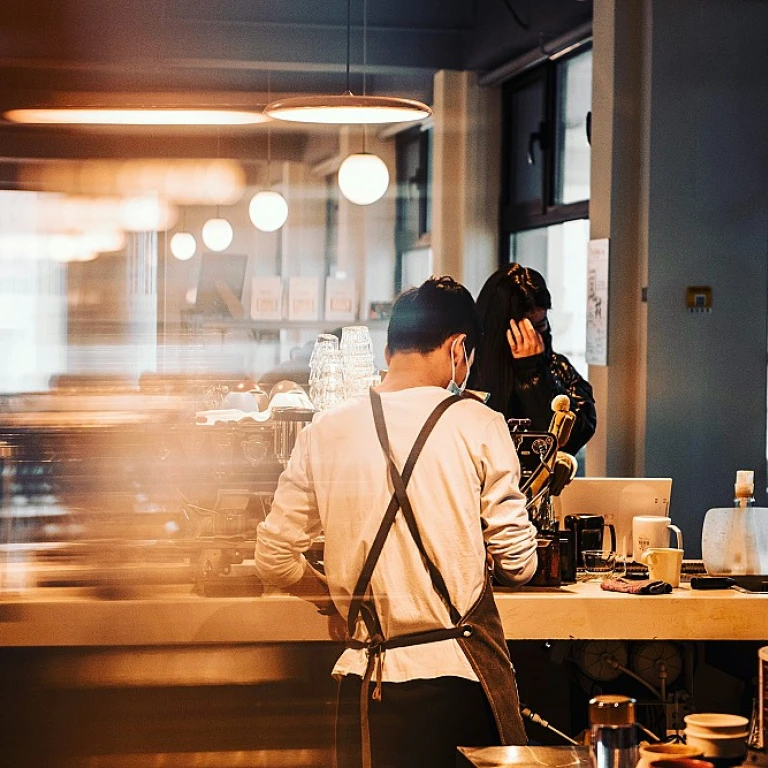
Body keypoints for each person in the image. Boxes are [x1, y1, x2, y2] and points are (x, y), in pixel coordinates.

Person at [254, 276, 538, 768]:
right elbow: (519, 564)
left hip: (366, 683)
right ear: (458, 350)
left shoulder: (327, 429)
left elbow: (274, 560)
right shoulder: (479, 424)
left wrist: (336, 601)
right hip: (458, 681)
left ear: (389, 348)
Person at [472, 263, 597, 455]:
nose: (532, 338)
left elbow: (572, 438)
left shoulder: (557, 367)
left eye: (540, 326)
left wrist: (533, 373)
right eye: (522, 330)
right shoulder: (466, 367)